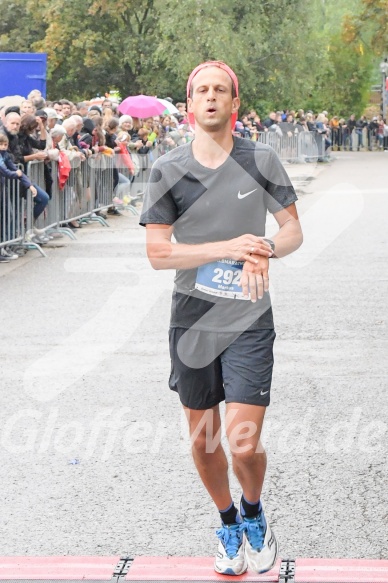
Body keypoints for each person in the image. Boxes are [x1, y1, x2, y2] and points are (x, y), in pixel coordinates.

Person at [140, 61, 303, 575]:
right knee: (203, 438)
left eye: (220, 90)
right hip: (192, 319)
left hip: (249, 316)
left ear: (234, 103)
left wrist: (266, 250)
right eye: (201, 91)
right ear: (190, 106)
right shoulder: (168, 168)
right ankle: (228, 522)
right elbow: (158, 253)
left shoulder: (261, 159)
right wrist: (227, 246)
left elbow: (293, 229)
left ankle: (254, 512)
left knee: (243, 441)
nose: (211, 97)